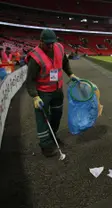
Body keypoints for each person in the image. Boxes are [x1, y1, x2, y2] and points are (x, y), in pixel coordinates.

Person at [26, 29, 80, 157]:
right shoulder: (35, 57)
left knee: (57, 115)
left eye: (52, 43)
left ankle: (52, 136)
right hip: (43, 93)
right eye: (47, 44)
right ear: (41, 41)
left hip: (57, 91)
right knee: (42, 120)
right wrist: (35, 96)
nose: (50, 46)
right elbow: (30, 81)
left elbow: (65, 63)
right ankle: (45, 145)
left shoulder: (59, 48)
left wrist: (70, 74)